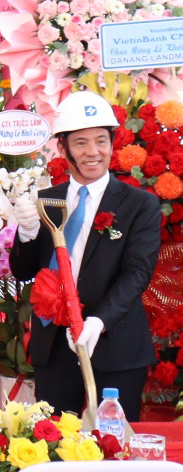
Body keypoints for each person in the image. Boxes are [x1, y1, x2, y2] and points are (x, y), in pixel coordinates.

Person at [11, 92, 160, 420]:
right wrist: (24, 233)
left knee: (114, 445)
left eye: (101, 141)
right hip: (54, 346)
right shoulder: (45, 200)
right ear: (62, 148)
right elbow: (23, 271)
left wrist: (99, 321)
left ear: (112, 142)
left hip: (114, 347)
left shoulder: (139, 205)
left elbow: (137, 273)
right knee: (54, 445)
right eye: (80, 143)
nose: (93, 152)